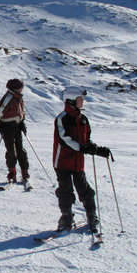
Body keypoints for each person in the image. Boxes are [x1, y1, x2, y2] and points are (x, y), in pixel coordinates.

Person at [52, 87, 111, 233]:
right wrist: (83, 148)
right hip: (63, 161)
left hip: (78, 162)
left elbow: (87, 140)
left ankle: (91, 214)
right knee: (65, 189)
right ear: (72, 100)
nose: (82, 101)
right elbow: (65, 140)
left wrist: (96, 149)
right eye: (80, 99)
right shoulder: (62, 118)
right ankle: (66, 216)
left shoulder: (83, 119)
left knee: (84, 188)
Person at [0, 78, 30, 183]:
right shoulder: (9, 98)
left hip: (16, 126)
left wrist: (22, 123)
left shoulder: (18, 97)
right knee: (11, 150)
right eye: (21, 87)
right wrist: (1, 127)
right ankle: (12, 172)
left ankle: (24, 170)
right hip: (8, 127)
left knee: (20, 149)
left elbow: (21, 112)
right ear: (16, 88)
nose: (22, 88)